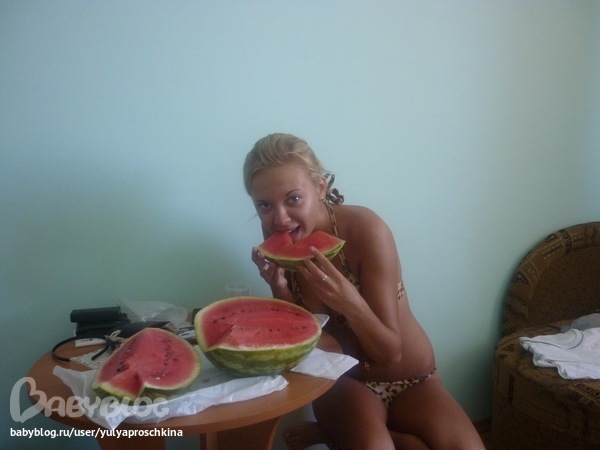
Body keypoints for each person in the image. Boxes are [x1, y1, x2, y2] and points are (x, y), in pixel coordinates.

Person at [243, 133, 486, 450]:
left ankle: (332, 437)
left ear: (320, 188)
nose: (280, 218)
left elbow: (389, 353)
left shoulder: (366, 230)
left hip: (413, 379)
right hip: (346, 381)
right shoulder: (280, 232)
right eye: (264, 205)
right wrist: (279, 288)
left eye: (293, 199)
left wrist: (350, 303)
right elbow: (307, 336)